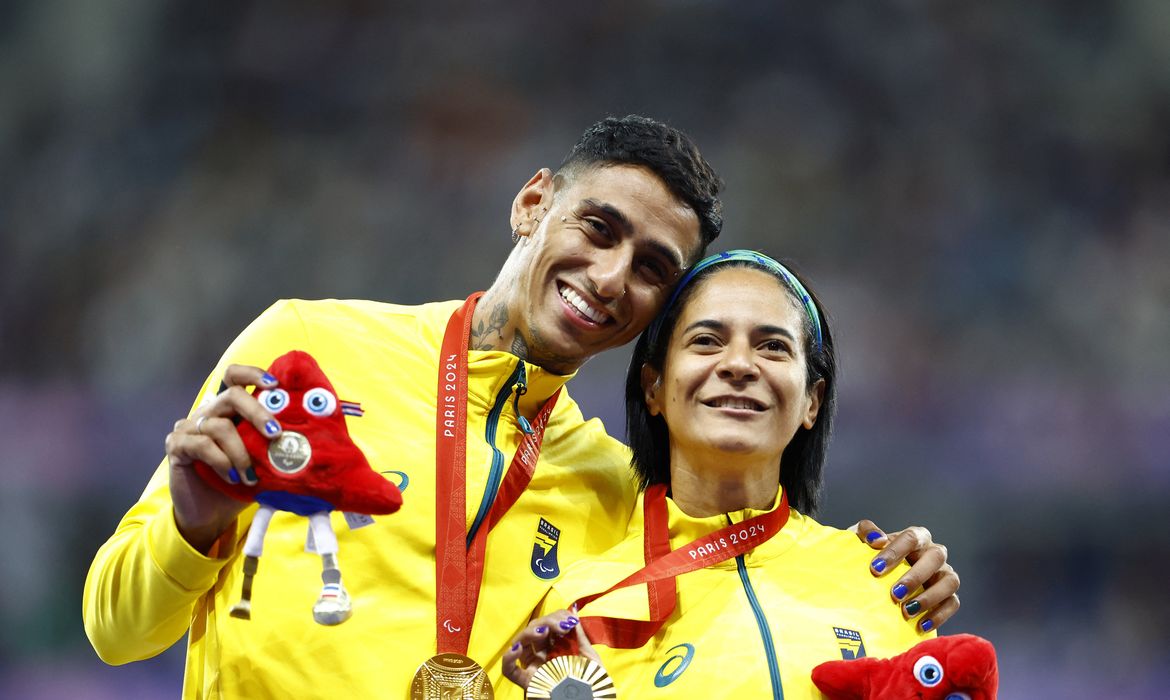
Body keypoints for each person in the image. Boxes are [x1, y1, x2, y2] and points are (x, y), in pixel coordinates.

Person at [83, 117, 957, 699]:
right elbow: (116, 633)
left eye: (652, 268)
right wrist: (192, 531)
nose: (611, 277)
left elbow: (752, 562)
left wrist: (883, 568)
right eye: (599, 228)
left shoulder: (619, 490)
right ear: (533, 203)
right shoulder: (310, 345)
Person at [503, 250, 958, 699]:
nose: (739, 365)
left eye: (773, 347)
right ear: (653, 387)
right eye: (706, 340)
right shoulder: (578, 608)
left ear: (811, 401)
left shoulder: (889, 584)